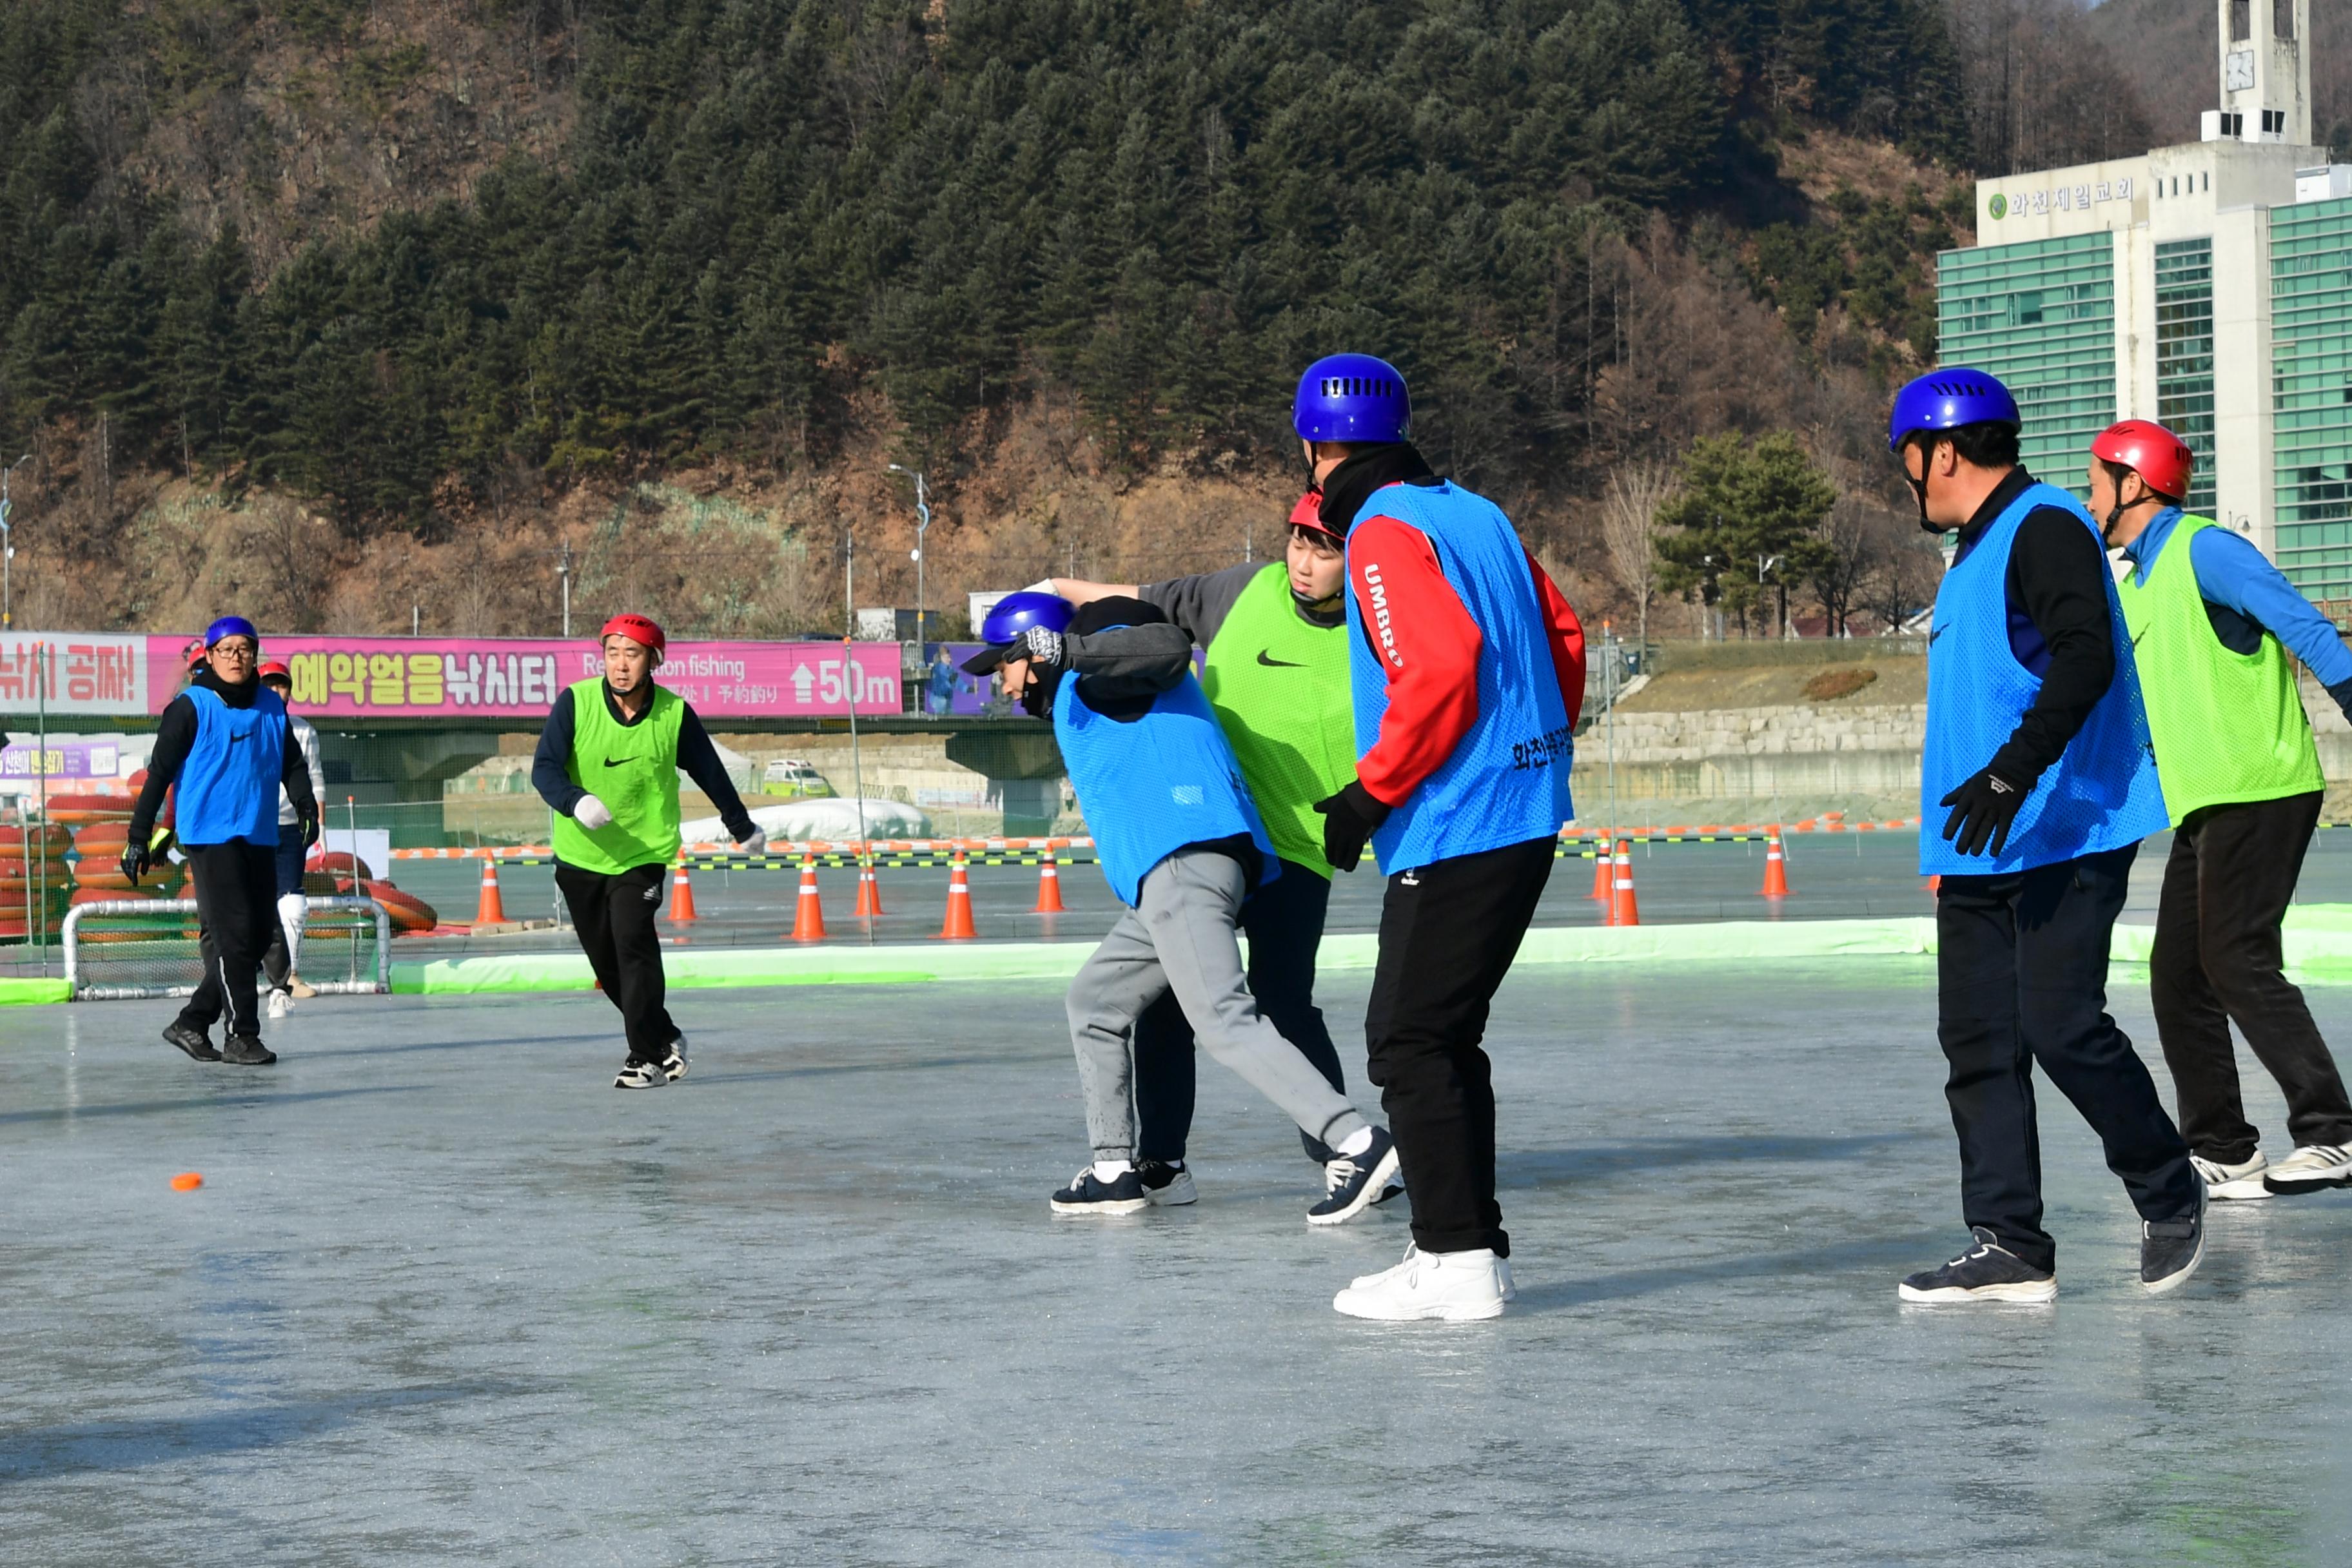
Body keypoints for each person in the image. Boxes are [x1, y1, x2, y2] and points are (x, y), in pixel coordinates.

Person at [1891, 369, 2202, 1304]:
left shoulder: (2046, 526)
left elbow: (2086, 655)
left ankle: (2168, 1187)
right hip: (1982, 842)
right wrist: (1950, 847)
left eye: (1906, 456)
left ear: (1941, 452)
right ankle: (2009, 1243)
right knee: (1978, 1040)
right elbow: (1979, 702)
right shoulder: (1971, 555)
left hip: (2068, 825)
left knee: (2060, 1023)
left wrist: (2011, 773)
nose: (1906, 476)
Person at [1293, 353, 1586, 1322]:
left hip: (1459, 820)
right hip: (1523, 805)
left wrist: (1368, 796)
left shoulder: (1380, 530)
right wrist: (1538, 746)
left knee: (1410, 1040)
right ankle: (1470, 1252)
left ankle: (1453, 1256)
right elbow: (1565, 633)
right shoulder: (1474, 510)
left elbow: (1441, 668)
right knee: (1447, 1038)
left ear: (1315, 448)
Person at [961, 591, 1400, 1222]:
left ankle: (1356, 1140)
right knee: (1094, 1001)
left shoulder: (1103, 681)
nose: (1000, 685)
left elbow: (1169, 645)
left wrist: (1072, 652)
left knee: (1223, 1016)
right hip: (1167, 879)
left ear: (1033, 649)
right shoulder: (1084, 695)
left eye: (1002, 666)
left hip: (1186, 861)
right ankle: (1117, 1168)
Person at [1047, 489, 1388, 1210]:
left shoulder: (1374, 629)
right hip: (1218, 821)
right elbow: (1139, 602)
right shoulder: (1244, 590)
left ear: (1355, 561)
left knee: (1280, 999)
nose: (1303, 562)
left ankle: (1348, 1152)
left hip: (1299, 845)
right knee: (1163, 1001)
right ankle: (1161, 1161)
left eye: (1324, 550)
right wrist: (1047, 594)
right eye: (1297, 543)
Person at [2096, 418, 2352, 1200]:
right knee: (2177, 972)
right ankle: (2224, 1148)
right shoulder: (2134, 581)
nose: (2089, 494)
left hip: (2262, 785)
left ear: (2133, 485)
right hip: (2206, 801)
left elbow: (2302, 622)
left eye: (2097, 479)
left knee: (2236, 956)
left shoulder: (2205, 548)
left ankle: (2333, 1131)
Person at [532, 613, 766, 1088]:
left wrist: (741, 826)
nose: (620, 666)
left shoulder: (674, 715)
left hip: (643, 854)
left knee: (633, 944)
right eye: (612, 654)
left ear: (653, 660)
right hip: (580, 855)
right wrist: (577, 801)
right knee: (608, 965)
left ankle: (644, 1058)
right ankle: (665, 1037)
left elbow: (711, 773)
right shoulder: (575, 704)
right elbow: (544, 769)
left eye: (632, 655)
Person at [124, 617, 319, 1066]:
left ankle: (192, 1023)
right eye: (226, 650)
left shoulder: (271, 706)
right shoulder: (190, 707)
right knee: (234, 936)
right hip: (211, 837)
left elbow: (291, 762)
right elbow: (159, 776)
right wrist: (139, 837)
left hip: (259, 832)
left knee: (251, 940)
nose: (236, 657)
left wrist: (307, 806)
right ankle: (241, 1036)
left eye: (245, 649)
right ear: (209, 656)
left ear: (254, 655)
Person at [257, 660, 326, 1016]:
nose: (275, 692)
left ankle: (290, 974)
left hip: (288, 827)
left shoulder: (303, 731)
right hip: (250, 825)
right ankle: (240, 972)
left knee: (293, 901)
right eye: (268, 684)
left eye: (281, 685)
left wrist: (318, 827)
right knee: (247, 901)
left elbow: (312, 778)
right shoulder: (248, 723)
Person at [926, 646, 957, 716]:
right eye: (947, 658)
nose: (950, 660)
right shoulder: (938, 670)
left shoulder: (948, 669)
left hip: (947, 699)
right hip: (940, 699)